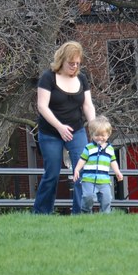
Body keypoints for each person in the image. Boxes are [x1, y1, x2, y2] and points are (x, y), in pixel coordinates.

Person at [34, 41, 96, 215]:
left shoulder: (82, 78)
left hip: (76, 130)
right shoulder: (48, 78)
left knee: (82, 171)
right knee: (52, 174)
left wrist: (94, 127)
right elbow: (42, 106)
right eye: (71, 63)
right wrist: (59, 127)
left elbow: (87, 105)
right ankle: (41, 214)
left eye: (77, 63)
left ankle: (81, 214)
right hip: (51, 132)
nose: (74, 66)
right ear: (62, 60)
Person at [73, 117, 124, 214]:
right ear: (92, 135)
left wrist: (117, 172)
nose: (100, 138)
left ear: (108, 135)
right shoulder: (89, 148)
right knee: (88, 197)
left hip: (104, 180)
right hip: (89, 179)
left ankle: (105, 215)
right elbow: (82, 160)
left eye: (103, 135)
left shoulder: (110, 149)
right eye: (97, 135)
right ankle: (85, 212)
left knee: (106, 199)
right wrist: (77, 169)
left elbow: (113, 161)